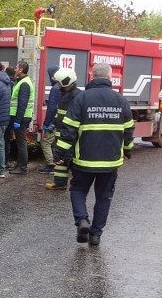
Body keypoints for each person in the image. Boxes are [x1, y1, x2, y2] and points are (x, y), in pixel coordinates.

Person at [57, 62, 134, 246]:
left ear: (92, 76)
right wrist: (128, 149)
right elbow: (128, 129)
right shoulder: (120, 100)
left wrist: (61, 153)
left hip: (84, 160)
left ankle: (82, 220)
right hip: (110, 162)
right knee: (104, 197)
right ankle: (95, 235)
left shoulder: (81, 98)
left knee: (78, 190)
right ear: (109, 77)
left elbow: (69, 130)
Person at [46, 67, 81, 191]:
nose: (57, 85)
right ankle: (59, 183)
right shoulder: (66, 94)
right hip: (62, 131)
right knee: (60, 159)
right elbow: (60, 113)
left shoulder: (74, 96)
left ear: (65, 82)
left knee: (67, 158)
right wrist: (53, 123)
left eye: (58, 82)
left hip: (67, 133)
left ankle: (76, 186)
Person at [6, 62, 34, 174]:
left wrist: (17, 120)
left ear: (21, 69)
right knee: (19, 142)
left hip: (22, 118)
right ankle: (19, 164)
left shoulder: (24, 83)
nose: (15, 69)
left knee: (21, 142)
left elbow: (22, 104)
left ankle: (22, 167)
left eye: (16, 68)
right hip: (21, 117)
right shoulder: (22, 81)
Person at [38, 64, 61, 174]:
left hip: (53, 121)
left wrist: (46, 123)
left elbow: (52, 109)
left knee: (45, 142)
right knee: (56, 143)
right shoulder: (62, 87)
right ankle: (58, 163)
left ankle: (50, 165)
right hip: (61, 121)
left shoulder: (55, 89)